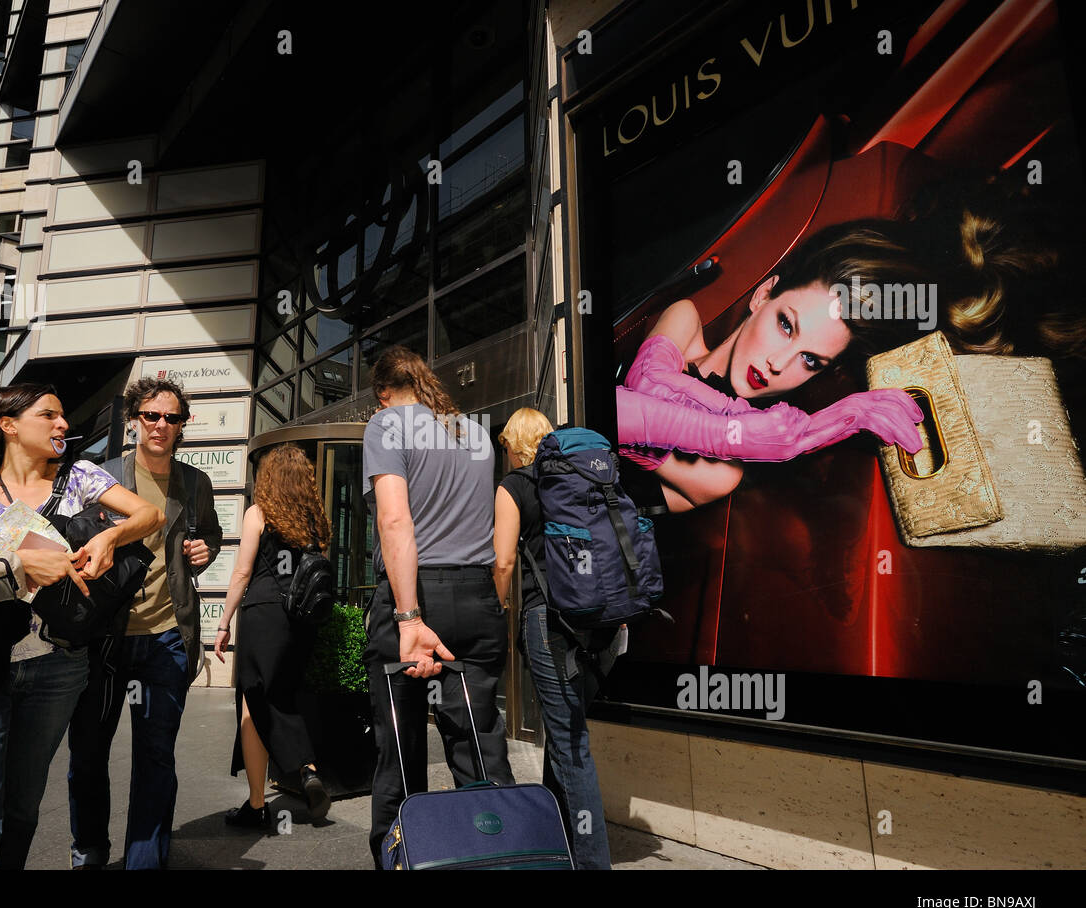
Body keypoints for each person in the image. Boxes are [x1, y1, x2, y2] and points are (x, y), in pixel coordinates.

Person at [618, 199, 1086, 510]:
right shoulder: (683, 319)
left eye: (810, 360)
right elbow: (630, 402)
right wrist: (779, 435)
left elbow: (618, 427)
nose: (779, 364)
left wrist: (775, 435)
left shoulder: (723, 476)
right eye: (787, 324)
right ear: (764, 294)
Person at [0, 383, 163, 870]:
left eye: (63, 417)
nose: (63, 425)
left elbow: (151, 514)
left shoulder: (80, 476)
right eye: (49, 416)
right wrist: (17, 564)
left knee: (20, 808)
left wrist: (111, 539)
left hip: (59, 667)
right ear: (8, 426)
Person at [362, 344, 513, 867]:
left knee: (400, 754)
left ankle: (404, 858)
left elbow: (396, 522)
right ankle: (502, 855)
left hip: (416, 595)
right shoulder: (473, 432)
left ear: (383, 395)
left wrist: (409, 616)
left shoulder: (384, 427)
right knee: (480, 745)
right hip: (476, 598)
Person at [67, 377, 223, 870]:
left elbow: (211, 535)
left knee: (156, 758)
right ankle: (90, 851)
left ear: (182, 426)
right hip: (104, 637)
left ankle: (144, 861)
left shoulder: (195, 484)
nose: (160, 425)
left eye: (171, 418)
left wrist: (205, 550)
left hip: (166, 638)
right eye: (151, 416)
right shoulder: (99, 476)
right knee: (89, 755)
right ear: (134, 419)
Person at [493, 406, 613, 870]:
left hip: (548, 622)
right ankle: (556, 835)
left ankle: (591, 861)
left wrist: (501, 603)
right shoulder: (578, 479)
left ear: (514, 445)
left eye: (505, 446)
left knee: (569, 741)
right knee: (566, 732)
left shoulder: (515, 485)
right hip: (597, 621)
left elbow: (503, 562)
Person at [216, 444, 333, 829]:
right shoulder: (314, 521)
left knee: (254, 705)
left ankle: (260, 801)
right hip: (301, 621)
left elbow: (242, 573)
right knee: (282, 696)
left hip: (264, 614)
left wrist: (223, 622)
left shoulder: (259, 513)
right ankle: (309, 770)